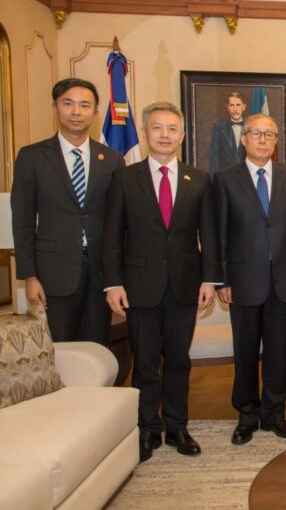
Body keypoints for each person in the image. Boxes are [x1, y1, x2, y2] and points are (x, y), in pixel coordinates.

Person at [102, 101, 221, 463]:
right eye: (158, 128)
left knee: (180, 361)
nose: (165, 135)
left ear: (182, 135)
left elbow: (209, 235)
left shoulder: (199, 179)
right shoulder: (125, 178)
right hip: (139, 287)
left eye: (172, 128)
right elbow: (112, 236)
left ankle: (178, 426)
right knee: (146, 361)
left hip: (185, 285)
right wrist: (113, 283)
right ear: (144, 132)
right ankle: (147, 429)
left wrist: (210, 280)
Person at [213, 113, 286, 445]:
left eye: (269, 135)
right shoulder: (225, 179)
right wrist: (221, 280)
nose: (262, 140)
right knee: (244, 352)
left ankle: (274, 414)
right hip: (241, 280)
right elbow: (220, 234)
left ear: (276, 141)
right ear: (244, 139)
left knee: (277, 351)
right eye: (256, 134)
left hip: (283, 279)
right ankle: (247, 415)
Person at [11, 78, 124, 345]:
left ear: (95, 112)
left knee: (97, 350)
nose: (76, 112)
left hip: (100, 273)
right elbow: (23, 220)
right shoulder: (32, 157)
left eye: (85, 105)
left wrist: (118, 276)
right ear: (55, 108)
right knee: (60, 349)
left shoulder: (111, 159)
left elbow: (120, 222)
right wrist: (29, 275)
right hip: (53, 273)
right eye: (68, 104)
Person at [208, 92, 247, 175]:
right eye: (231, 105)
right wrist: (214, 181)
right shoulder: (219, 128)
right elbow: (214, 157)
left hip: (247, 176)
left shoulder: (250, 127)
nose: (235, 109)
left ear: (244, 107)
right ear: (227, 107)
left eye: (238, 105)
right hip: (226, 176)